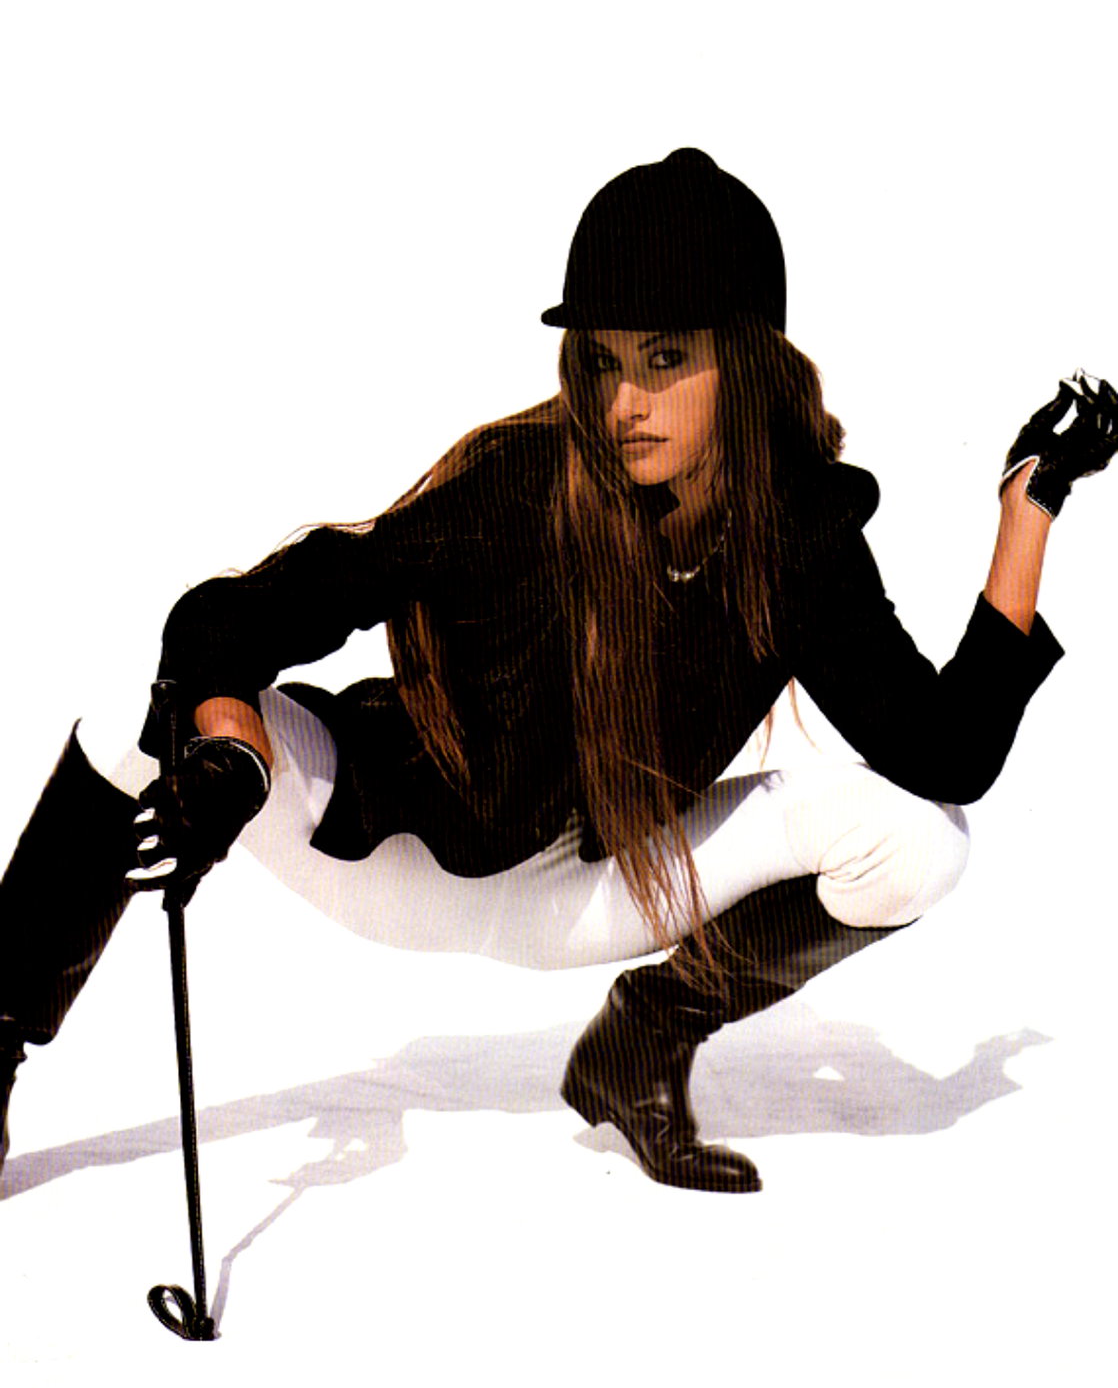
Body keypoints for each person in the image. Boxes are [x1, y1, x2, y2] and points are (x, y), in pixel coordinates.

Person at [1, 148, 1114, 1192]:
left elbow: (945, 751)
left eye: (665, 359)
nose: (626, 402)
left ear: (744, 356)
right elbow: (252, 608)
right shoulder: (522, 483)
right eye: (604, 361)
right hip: (403, 855)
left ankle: (643, 1042)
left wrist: (1028, 512)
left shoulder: (797, 536)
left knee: (923, 840)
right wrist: (232, 753)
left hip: (591, 891)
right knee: (130, 708)